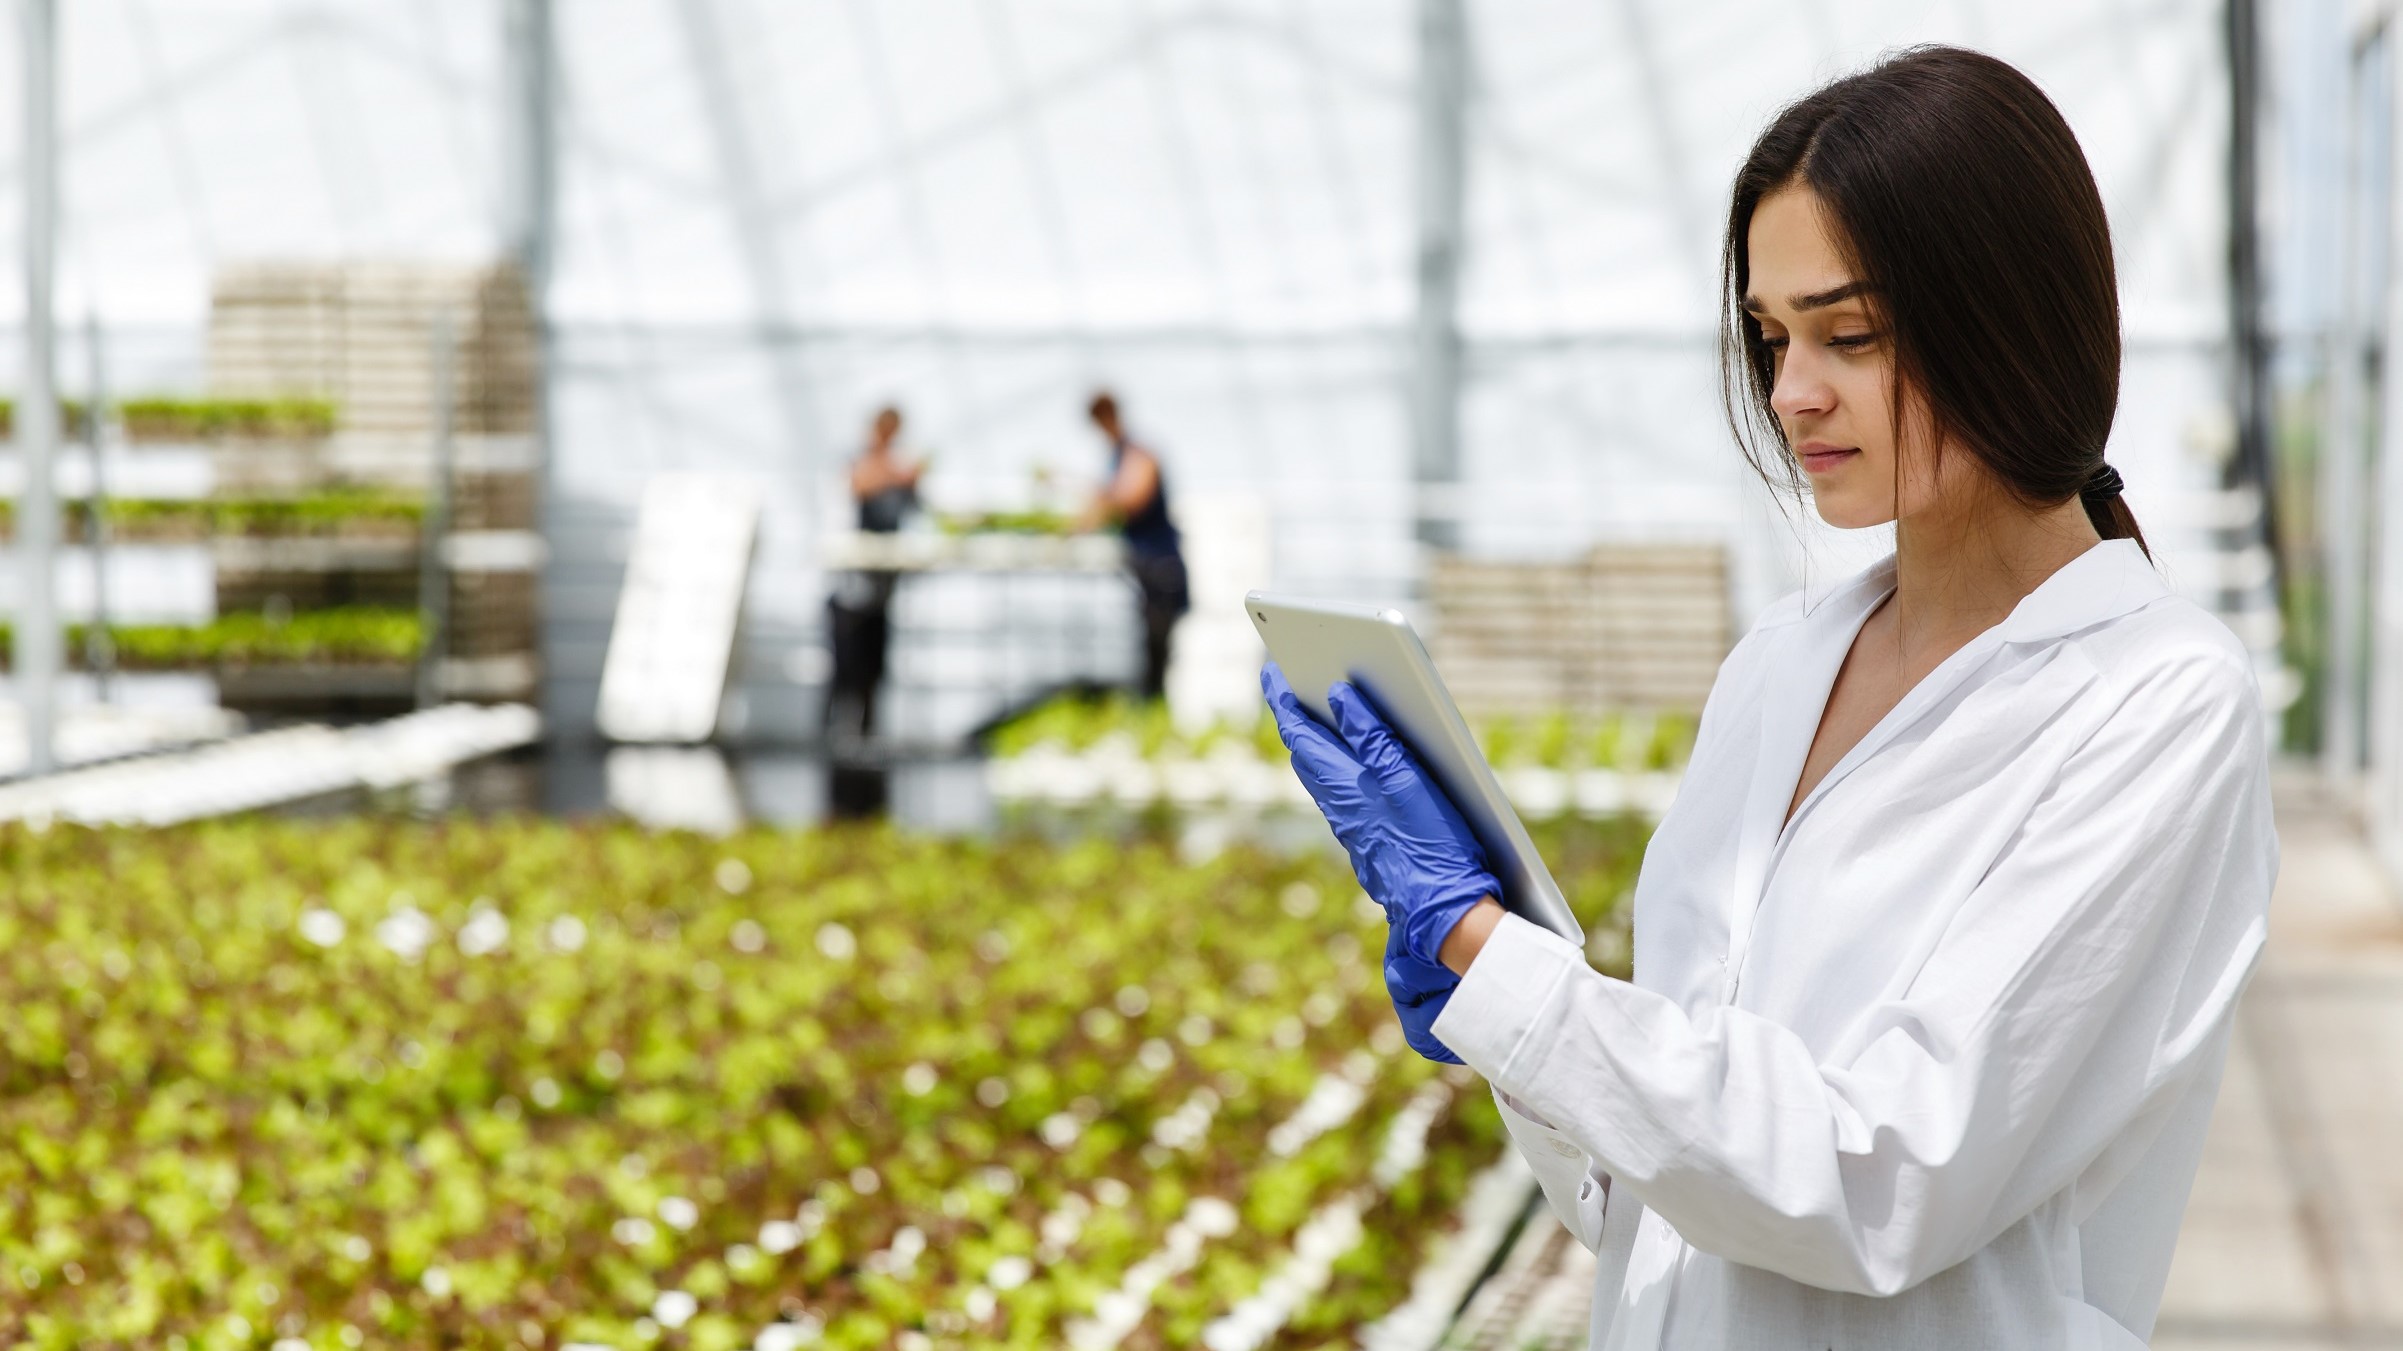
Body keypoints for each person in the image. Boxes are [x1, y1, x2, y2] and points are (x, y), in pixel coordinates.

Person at [1264, 46, 2276, 1350]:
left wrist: (1494, 961)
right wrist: (1514, 1003)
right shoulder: (1779, 662)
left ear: (2006, 316)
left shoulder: (2151, 701)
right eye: (1768, 334)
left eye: (1845, 334)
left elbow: (1881, 1176)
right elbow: (1661, 1191)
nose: (1791, 390)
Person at [1076, 392, 1188, 700]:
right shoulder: (1118, 455)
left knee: (1161, 649)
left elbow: (1130, 499)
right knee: (1150, 649)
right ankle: (1152, 708)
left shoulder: (1139, 455)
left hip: (1161, 564)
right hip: (1145, 565)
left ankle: (1157, 710)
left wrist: (1097, 507)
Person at [824, 405, 922, 744]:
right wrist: (897, 475)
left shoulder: (899, 468)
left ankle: (867, 737)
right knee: (844, 670)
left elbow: (916, 507)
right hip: (851, 590)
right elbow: (858, 485)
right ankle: (833, 737)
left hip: (880, 591)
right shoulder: (863, 462)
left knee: (873, 670)